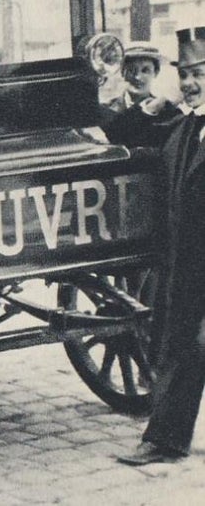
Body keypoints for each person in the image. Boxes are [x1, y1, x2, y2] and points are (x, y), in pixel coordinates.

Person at [117, 26, 205, 466]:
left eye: (199, 73)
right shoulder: (183, 124)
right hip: (190, 259)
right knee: (181, 344)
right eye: (185, 74)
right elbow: (119, 130)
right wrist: (157, 104)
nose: (190, 83)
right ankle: (165, 438)